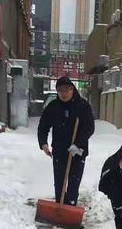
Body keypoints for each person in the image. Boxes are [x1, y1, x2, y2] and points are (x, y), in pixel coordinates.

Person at [37, 76, 95, 206]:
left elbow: (89, 128)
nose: (64, 93)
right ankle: (59, 207)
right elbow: (43, 126)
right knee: (59, 183)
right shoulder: (53, 107)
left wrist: (77, 144)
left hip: (78, 152)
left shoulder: (83, 106)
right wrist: (43, 144)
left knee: (73, 184)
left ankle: (70, 207)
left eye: (67, 90)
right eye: (60, 90)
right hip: (59, 150)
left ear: (72, 89)